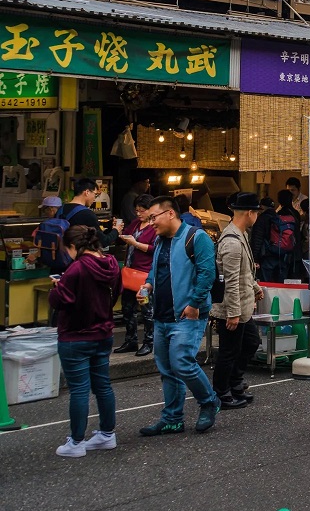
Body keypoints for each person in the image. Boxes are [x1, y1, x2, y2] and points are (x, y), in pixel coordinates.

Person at [137, 195, 220, 437]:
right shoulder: (161, 240)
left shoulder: (197, 237)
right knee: (167, 369)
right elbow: (155, 270)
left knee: (182, 362)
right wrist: (147, 286)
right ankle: (172, 418)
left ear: (170, 213)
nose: (150, 222)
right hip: (162, 315)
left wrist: (194, 304)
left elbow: (207, 274)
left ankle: (209, 401)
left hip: (187, 315)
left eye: (154, 217)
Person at [48, 225, 120, 457]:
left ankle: (76, 442)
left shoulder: (76, 269)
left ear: (73, 247)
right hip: (104, 333)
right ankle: (107, 434)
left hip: (75, 336)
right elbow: (115, 293)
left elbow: (61, 300)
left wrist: (56, 287)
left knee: (79, 390)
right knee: (103, 386)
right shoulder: (112, 264)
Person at [211, 192, 265, 410]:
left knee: (251, 342)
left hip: (242, 304)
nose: (257, 217)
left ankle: (235, 383)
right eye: (257, 213)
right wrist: (232, 313)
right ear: (250, 213)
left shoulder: (241, 234)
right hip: (231, 308)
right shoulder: (232, 241)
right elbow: (231, 281)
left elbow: (244, 274)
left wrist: (255, 287)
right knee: (228, 351)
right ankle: (222, 393)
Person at [116, 194, 157, 357]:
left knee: (147, 310)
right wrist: (119, 232)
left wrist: (136, 244)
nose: (139, 214)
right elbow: (126, 236)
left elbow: (155, 249)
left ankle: (149, 342)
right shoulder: (135, 224)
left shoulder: (155, 227)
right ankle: (130, 340)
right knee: (127, 308)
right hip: (129, 273)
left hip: (145, 276)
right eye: (137, 210)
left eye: (142, 210)